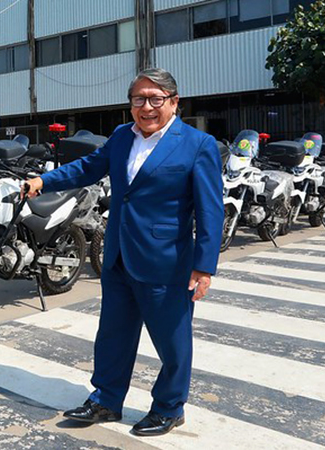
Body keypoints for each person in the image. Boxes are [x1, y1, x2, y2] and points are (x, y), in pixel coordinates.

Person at [23, 68, 223, 437]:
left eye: (155, 99)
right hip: (117, 256)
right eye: (138, 99)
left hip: (166, 260)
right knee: (113, 335)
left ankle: (169, 407)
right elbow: (87, 168)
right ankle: (106, 399)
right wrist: (42, 180)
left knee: (172, 341)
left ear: (174, 102)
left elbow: (211, 209)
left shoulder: (198, 144)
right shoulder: (121, 136)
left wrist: (204, 266)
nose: (146, 107)